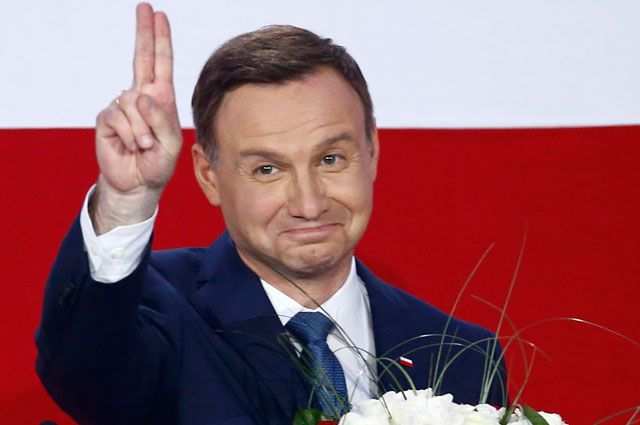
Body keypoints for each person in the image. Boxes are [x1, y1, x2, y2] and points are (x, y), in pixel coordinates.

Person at [36, 3, 506, 425]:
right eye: (267, 169)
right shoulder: (157, 310)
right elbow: (86, 371)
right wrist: (126, 200)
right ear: (208, 176)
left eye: (330, 159)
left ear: (372, 152)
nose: (309, 203)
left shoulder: (465, 355)